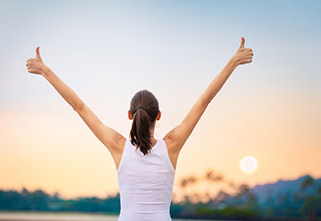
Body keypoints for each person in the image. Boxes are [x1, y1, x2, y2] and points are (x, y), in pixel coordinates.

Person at [26, 37, 253, 220]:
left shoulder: (118, 147)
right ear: (159, 116)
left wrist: (45, 71)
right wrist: (233, 63)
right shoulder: (171, 146)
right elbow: (204, 101)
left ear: (129, 116)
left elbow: (79, 106)